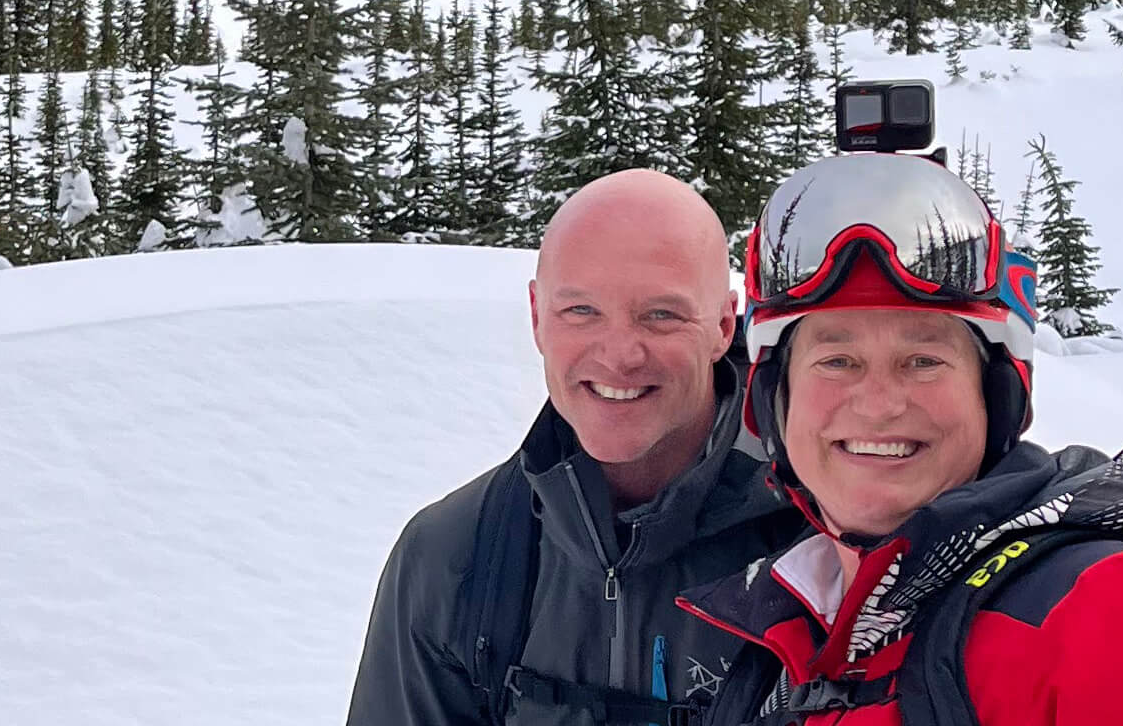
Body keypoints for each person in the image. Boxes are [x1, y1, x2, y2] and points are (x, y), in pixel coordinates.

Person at [674, 151, 1123, 726]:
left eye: (923, 360)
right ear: (776, 401)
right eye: (837, 360)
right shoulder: (785, 634)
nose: (879, 403)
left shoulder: (1107, 611)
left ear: (996, 395)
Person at [346, 170, 811, 725]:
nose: (620, 356)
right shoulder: (458, 558)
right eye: (581, 311)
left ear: (721, 322)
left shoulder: (822, 540)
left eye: (660, 314)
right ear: (538, 315)